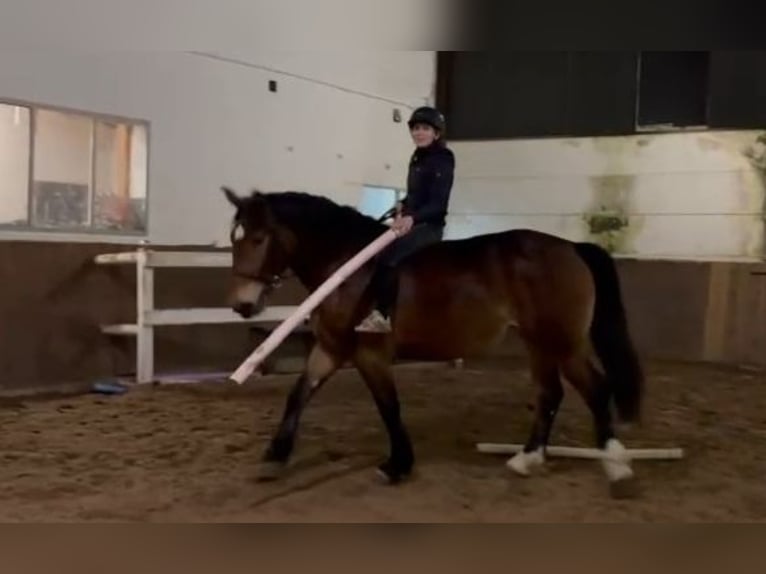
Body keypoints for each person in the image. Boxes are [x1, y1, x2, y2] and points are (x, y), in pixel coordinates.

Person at [355, 105, 455, 333]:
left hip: (430, 226)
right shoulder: (418, 158)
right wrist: (403, 203)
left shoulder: (443, 159)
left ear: (436, 133)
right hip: (414, 220)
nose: (419, 133)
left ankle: (383, 315)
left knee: (388, 257)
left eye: (425, 128)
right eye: (416, 128)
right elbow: (418, 194)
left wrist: (413, 217)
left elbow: (438, 203)